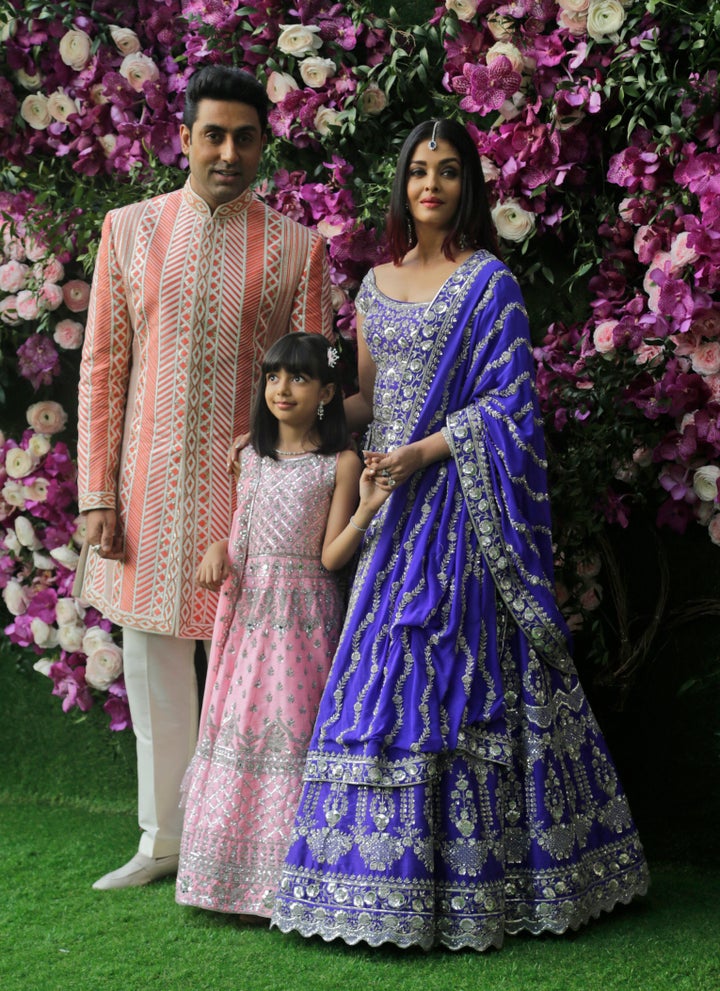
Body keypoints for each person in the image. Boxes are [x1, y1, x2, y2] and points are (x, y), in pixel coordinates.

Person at [270, 119, 650, 951]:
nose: (430, 184)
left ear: (466, 185)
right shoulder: (372, 285)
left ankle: (485, 881)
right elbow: (366, 399)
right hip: (387, 504)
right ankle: (362, 879)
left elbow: (511, 410)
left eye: (446, 171)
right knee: (379, 677)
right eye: (416, 170)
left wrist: (426, 451)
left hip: (460, 509)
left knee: (454, 679)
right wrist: (298, 420)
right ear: (402, 186)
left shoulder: (490, 284)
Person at [77, 65, 332, 891]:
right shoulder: (128, 230)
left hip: (254, 501)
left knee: (260, 673)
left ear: (265, 143)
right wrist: (97, 493)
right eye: (212, 134)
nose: (228, 150)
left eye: (244, 136)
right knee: (153, 662)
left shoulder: (298, 247)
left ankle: (252, 838)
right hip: (143, 491)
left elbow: (317, 385)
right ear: (183, 137)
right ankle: (162, 840)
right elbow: (101, 370)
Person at [175, 332, 389, 918]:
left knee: (291, 729)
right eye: (273, 377)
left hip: (303, 618)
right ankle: (224, 876)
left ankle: (290, 880)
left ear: (326, 392)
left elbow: (330, 557)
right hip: (245, 616)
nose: (282, 389)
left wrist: (368, 510)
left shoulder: (338, 463)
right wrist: (219, 547)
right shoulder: (249, 457)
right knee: (237, 722)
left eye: (298, 377)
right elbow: (244, 527)